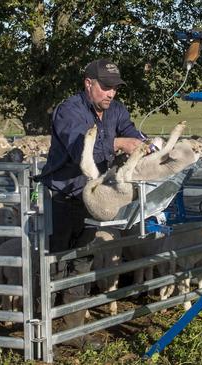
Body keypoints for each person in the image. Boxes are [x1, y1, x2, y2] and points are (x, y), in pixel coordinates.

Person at [37, 58, 148, 349]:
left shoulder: (116, 110)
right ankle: (42, 333)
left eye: (115, 89)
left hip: (92, 199)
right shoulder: (69, 111)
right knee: (55, 263)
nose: (111, 94)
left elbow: (131, 131)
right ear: (89, 84)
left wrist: (143, 144)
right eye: (106, 87)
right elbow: (79, 149)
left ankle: (74, 332)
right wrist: (118, 144)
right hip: (61, 196)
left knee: (83, 261)